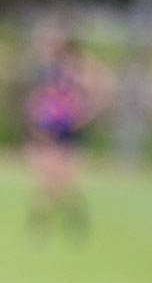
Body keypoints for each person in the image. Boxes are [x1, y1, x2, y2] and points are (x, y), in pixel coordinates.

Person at [23, 29, 107, 238]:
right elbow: (36, 100)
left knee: (67, 182)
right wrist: (36, 125)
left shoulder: (78, 71)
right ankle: (43, 222)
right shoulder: (46, 71)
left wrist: (84, 116)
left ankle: (66, 218)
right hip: (49, 131)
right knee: (48, 181)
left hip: (69, 132)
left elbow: (99, 87)